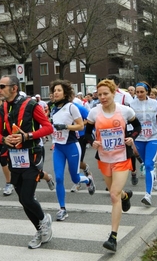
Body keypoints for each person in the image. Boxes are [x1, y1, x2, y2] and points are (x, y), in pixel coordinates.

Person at [0, 75, 53, 249]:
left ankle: (43, 221)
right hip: (15, 156)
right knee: (22, 198)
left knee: (27, 196)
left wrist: (27, 136)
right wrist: (5, 140)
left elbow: (48, 127)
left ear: (14, 88)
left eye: (2, 86)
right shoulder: (3, 107)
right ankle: (40, 228)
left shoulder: (30, 104)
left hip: (32, 154)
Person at [85, 79, 141, 252]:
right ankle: (126, 196)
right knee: (115, 193)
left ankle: (113, 237)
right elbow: (87, 133)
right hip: (104, 158)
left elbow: (137, 126)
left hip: (122, 157)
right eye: (99, 94)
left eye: (105, 94)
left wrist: (132, 137)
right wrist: (92, 141)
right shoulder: (94, 113)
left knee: (113, 196)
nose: (102, 97)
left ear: (114, 93)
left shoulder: (125, 110)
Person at [50, 80, 95, 221]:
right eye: (54, 90)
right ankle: (62, 209)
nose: (55, 93)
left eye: (59, 90)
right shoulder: (52, 108)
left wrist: (65, 127)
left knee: (75, 178)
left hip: (71, 146)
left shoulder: (72, 107)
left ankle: (87, 180)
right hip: (58, 147)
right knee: (58, 178)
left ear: (65, 93)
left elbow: (81, 126)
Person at [131, 83, 157, 207]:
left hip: (152, 137)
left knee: (149, 164)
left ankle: (148, 195)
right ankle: (154, 179)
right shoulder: (132, 104)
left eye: (141, 92)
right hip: (139, 138)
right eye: (137, 92)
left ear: (147, 91)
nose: (139, 94)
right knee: (145, 164)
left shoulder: (155, 103)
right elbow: (129, 120)